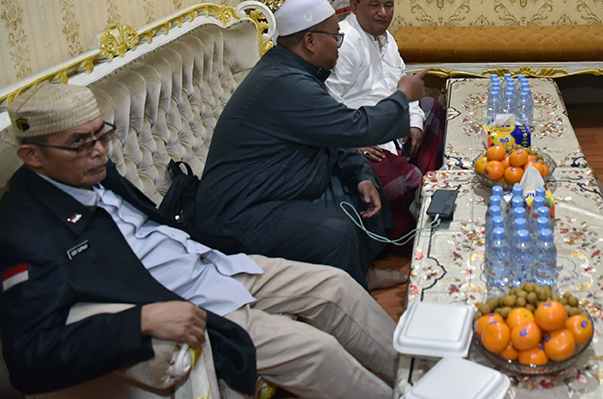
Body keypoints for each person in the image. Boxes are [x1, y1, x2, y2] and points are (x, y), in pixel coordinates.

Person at [0, 84, 399, 398]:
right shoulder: (24, 229)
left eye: (101, 134)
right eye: (80, 143)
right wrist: (139, 321)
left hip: (212, 263)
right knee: (316, 351)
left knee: (335, 285)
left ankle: (421, 373)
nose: (100, 151)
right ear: (32, 155)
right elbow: (30, 358)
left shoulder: (89, 170)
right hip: (187, 301)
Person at [194, 0, 427, 291]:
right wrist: (403, 97)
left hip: (282, 187)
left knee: (362, 190)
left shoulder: (296, 71)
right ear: (310, 41)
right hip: (242, 211)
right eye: (336, 38)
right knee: (335, 232)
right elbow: (354, 127)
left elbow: (334, 134)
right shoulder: (284, 83)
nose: (339, 46)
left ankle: (360, 272)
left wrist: (362, 175)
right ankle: (352, 289)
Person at [326, 0, 445, 243]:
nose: (383, 13)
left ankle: (418, 180)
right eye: (374, 5)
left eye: (389, 5)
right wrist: (351, 144)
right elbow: (328, 103)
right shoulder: (345, 42)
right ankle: (411, 209)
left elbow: (404, 83)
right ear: (354, 6)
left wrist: (414, 122)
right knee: (401, 181)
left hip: (393, 124)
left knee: (432, 109)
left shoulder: (387, 39)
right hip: (366, 137)